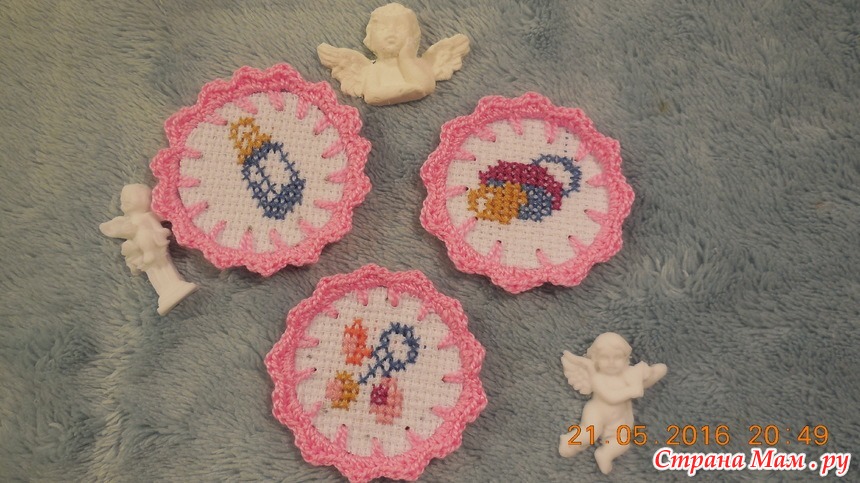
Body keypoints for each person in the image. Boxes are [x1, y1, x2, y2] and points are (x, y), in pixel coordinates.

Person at [559, 332, 667, 474]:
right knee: (590, 433)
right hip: (597, 412)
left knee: (623, 441)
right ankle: (569, 441)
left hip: (620, 417)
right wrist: (633, 389)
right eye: (605, 357)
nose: (611, 362)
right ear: (595, 360)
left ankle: (605, 454)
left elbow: (651, 378)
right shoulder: (597, 377)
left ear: (626, 359)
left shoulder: (628, 374)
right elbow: (611, 397)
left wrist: (648, 373)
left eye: (617, 357)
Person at [100, 184, 197, 315]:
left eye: (131, 197)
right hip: (141, 251)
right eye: (124, 199)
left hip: (155, 247)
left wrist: (162, 230)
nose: (126, 200)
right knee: (152, 271)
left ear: (146, 200)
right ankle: (164, 293)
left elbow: (162, 219)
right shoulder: (128, 221)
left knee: (164, 266)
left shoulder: (148, 216)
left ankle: (175, 284)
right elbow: (117, 229)